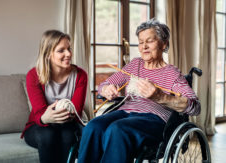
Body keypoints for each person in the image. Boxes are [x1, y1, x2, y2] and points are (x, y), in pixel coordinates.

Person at [78, 18, 201, 163]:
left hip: (154, 119)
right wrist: (106, 89)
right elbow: (105, 84)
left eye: (149, 41)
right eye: (141, 42)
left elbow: (195, 107)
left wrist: (159, 96)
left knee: (118, 130)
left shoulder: (171, 73)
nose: (144, 47)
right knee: (93, 127)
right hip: (125, 113)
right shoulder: (135, 65)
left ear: (164, 44)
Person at [21, 30, 88, 163]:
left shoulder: (80, 75)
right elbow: (40, 113)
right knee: (47, 135)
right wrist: (45, 117)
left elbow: (76, 111)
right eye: (61, 50)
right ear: (48, 54)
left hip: (68, 125)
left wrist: (58, 114)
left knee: (68, 135)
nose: (68, 54)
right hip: (39, 126)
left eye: (69, 48)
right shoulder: (34, 75)